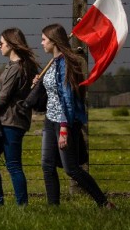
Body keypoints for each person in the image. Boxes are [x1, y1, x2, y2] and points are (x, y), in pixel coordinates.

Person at [39, 23, 115, 208]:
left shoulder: (65, 64)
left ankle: (104, 203)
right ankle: (53, 208)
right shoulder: (54, 63)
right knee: (47, 165)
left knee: (71, 169)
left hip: (63, 121)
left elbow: (67, 97)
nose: (41, 43)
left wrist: (64, 128)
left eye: (44, 39)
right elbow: (53, 91)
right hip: (50, 119)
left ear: (54, 41)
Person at [0, 27, 39, 206]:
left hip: (12, 122)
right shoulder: (15, 66)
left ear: (12, 44)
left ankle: (21, 206)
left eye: (2, 43)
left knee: (13, 165)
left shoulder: (17, 67)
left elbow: (5, 97)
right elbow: (5, 94)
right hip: (6, 120)